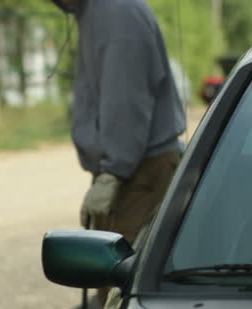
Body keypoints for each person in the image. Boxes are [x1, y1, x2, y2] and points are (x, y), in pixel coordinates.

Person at [50, 0, 187, 272]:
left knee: (119, 280)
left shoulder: (117, 12)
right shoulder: (94, 11)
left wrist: (113, 173)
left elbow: (126, 103)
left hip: (139, 171)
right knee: (110, 276)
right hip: (129, 169)